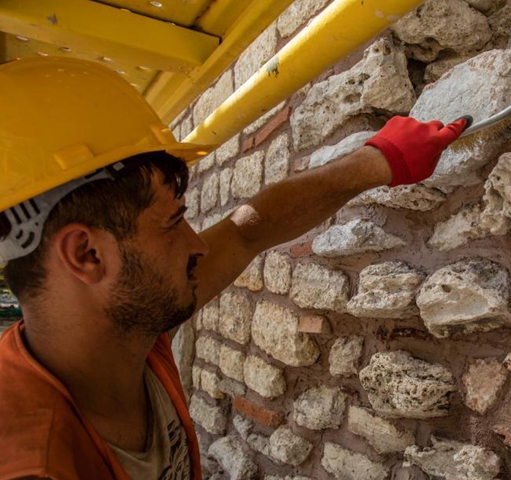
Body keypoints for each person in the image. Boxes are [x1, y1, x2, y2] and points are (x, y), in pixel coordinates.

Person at [0, 57, 469, 480]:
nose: (197, 245)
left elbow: (247, 232)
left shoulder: (121, 327)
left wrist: (378, 161)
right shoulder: (33, 461)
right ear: (87, 255)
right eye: (172, 223)